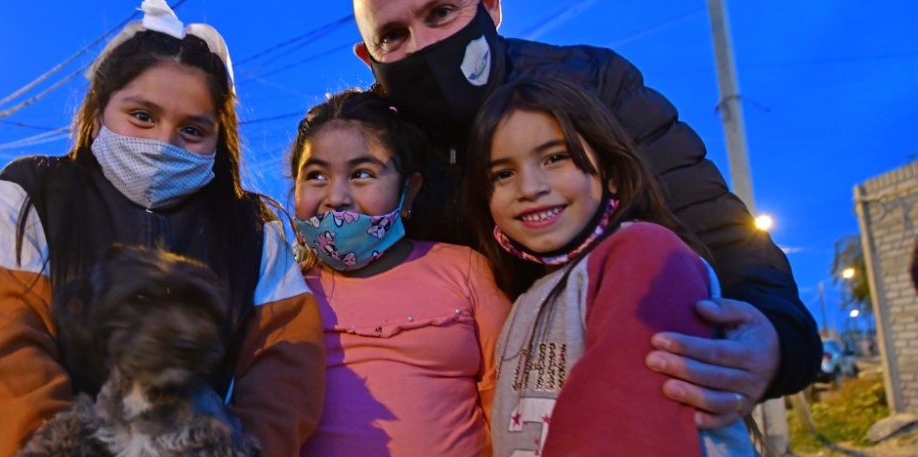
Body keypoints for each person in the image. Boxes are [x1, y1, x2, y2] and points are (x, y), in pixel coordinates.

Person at [0, 2, 325, 457]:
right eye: (142, 116)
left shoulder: (253, 226)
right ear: (99, 110)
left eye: (193, 130)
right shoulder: (33, 194)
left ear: (220, 138)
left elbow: (286, 373)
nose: (163, 144)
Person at [350, 0, 821, 427]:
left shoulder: (593, 86)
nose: (426, 45)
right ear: (368, 57)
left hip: (648, 417)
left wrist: (774, 336)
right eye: (392, 36)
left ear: (490, 7)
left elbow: (712, 224)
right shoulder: (373, 149)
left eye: (441, 13)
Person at [465, 77, 807, 457]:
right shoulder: (526, 303)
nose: (530, 186)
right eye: (502, 174)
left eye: (555, 157)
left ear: (607, 169)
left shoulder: (642, 257)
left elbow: (629, 451)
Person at [269, 89, 510, 457]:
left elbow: (509, 402)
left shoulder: (464, 270)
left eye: (362, 173)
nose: (336, 198)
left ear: (410, 190)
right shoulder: (287, 296)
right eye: (315, 175)